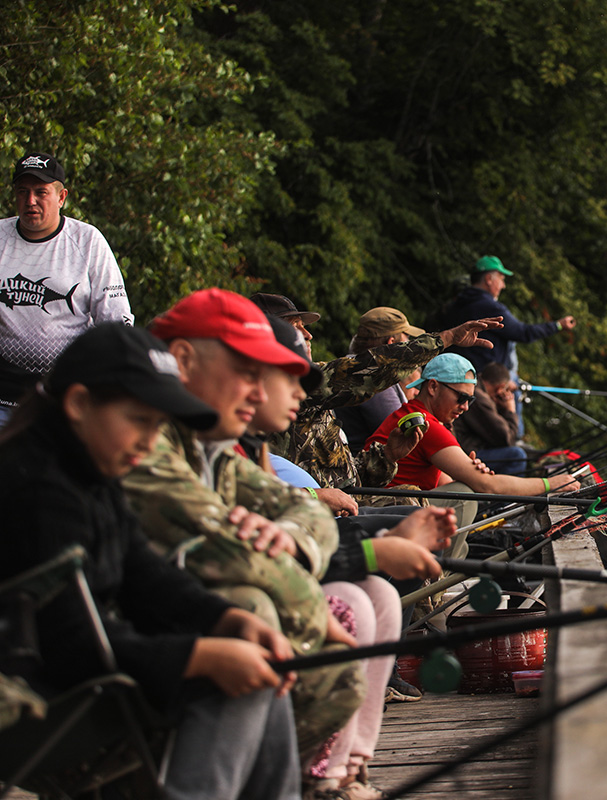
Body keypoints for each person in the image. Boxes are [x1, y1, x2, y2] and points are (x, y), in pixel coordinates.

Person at [0, 323, 301, 799]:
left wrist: (227, 619)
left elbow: (143, 574)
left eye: (160, 426)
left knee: (260, 671)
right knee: (235, 684)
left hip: (81, 674)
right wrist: (203, 655)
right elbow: (69, 643)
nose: (149, 440)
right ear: (78, 404)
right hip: (34, 704)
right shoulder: (35, 486)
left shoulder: (88, 466)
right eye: (140, 419)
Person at [119, 288, 366, 765]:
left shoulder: (208, 444)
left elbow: (312, 513)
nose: (260, 392)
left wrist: (292, 538)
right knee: (255, 609)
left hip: (170, 631)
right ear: (184, 360)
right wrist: (315, 615)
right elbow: (219, 550)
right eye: (246, 373)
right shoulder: (142, 438)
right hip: (112, 659)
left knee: (338, 674)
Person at [244, 315, 454, 800]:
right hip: (256, 590)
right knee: (361, 594)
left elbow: (355, 479)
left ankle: (350, 767)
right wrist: (369, 546)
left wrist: (393, 454)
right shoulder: (228, 448)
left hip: (311, 542)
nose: (299, 395)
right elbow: (267, 539)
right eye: (288, 381)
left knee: (378, 592)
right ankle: (322, 772)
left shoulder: (251, 445)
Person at [248, 292, 501, 512]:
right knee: (420, 505)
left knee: (424, 499)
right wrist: (445, 339)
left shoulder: (307, 388)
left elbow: (349, 481)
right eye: (295, 327)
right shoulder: (294, 385)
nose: (308, 334)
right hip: (314, 512)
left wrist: (388, 455)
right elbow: (370, 369)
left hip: (343, 503)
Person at [366, 354, 578, 549]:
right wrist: (551, 484)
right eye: (461, 398)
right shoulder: (427, 426)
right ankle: (430, 581)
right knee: (464, 498)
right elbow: (488, 486)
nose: (465, 407)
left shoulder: (415, 414)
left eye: (470, 400)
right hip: (381, 513)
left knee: (464, 532)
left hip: (386, 510)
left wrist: (470, 473)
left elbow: (446, 483)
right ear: (432, 387)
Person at [0, 152, 133, 425]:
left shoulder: (87, 241)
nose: (30, 201)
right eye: (22, 192)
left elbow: (115, 321)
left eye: (41, 192)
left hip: (62, 400)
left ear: (62, 197)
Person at [438, 255, 574, 436]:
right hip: (485, 382)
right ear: (489, 279)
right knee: (512, 435)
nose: (503, 285)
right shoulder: (490, 307)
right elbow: (523, 333)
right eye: (501, 279)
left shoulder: (455, 305)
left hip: (461, 380)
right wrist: (558, 325)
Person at [336, 307, 426, 452]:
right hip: (364, 468)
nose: (409, 344)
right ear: (392, 343)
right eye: (406, 338)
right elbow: (402, 429)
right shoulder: (372, 376)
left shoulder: (351, 365)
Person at [455, 362, 525, 475]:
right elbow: (506, 439)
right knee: (517, 456)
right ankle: (506, 492)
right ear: (500, 388)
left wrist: (500, 406)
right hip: (466, 451)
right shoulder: (480, 399)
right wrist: (510, 410)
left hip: (466, 447)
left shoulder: (477, 389)